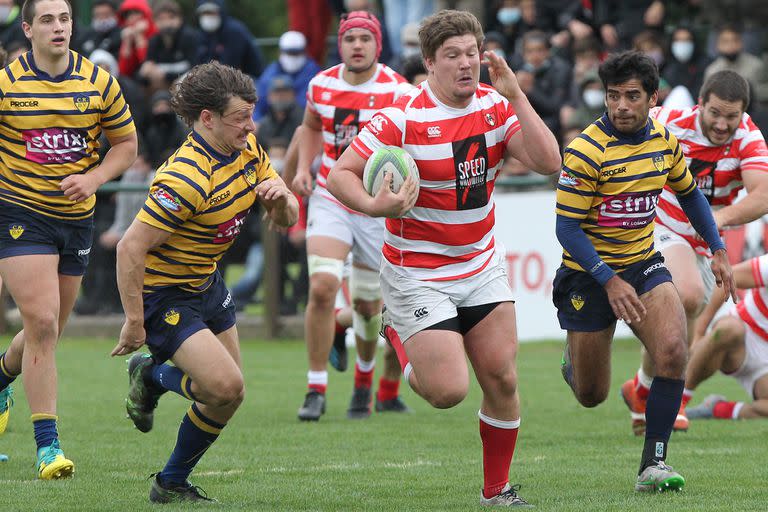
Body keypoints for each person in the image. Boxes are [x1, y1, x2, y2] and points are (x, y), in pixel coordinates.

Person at [329, 9, 561, 506]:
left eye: (471, 54)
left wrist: (517, 94)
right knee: (448, 391)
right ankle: (397, 332)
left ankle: (496, 490)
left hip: (480, 266)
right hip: (418, 274)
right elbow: (340, 175)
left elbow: (549, 163)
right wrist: (375, 205)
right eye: (452, 55)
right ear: (430, 63)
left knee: (501, 375)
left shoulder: (497, 109)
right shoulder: (401, 118)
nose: (465, 64)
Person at [111, 61, 298, 503]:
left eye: (252, 115)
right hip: (164, 293)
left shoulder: (247, 147)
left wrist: (281, 200)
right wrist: (136, 323)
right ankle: (152, 375)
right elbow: (129, 248)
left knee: (229, 397)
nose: (251, 126)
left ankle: (170, 482)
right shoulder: (185, 177)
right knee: (224, 386)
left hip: (206, 283)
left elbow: (285, 220)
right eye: (240, 118)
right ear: (207, 119)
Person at [553, 51, 737, 493]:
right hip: (588, 275)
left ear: (652, 98)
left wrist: (717, 247)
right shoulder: (586, 151)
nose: (620, 106)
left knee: (674, 350)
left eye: (631, 96)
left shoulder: (664, 141)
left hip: (641, 261)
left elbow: (691, 195)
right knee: (591, 395)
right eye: (613, 96)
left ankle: (653, 464)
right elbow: (566, 227)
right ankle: (573, 361)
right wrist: (607, 279)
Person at [0, 0, 137, 479]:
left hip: (76, 220)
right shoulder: (6, 84)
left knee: (49, 328)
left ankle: (2, 376)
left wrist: (95, 178)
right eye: (47, 20)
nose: (58, 28)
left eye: (64, 19)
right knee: (40, 319)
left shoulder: (98, 81)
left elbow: (126, 146)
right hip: (20, 215)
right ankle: (47, 447)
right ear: (27, 28)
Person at [620, 70, 768, 434]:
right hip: (662, 224)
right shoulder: (669, 121)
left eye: (731, 117)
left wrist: (715, 219)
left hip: (707, 244)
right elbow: (616, 131)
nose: (721, 124)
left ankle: (642, 388)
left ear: (743, 113)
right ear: (701, 104)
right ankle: (663, 395)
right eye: (715, 113)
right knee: (686, 295)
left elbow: (763, 195)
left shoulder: (748, 139)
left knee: (676, 326)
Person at [289, 11, 412, 422]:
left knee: (367, 306)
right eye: (350, 38)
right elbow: (309, 127)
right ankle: (315, 387)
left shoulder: (398, 89)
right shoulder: (321, 83)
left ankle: (364, 382)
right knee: (322, 287)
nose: (357, 45)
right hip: (331, 195)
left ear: (378, 44)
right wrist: (303, 169)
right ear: (339, 44)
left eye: (365, 38)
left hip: (377, 208)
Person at [684, 253, 768, 420]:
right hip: (744, 333)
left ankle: (718, 409)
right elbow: (729, 278)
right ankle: (678, 399)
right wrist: (698, 335)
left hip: (764, 360)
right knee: (729, 329)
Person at [253, 31, 321, 124]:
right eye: (289, 53)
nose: (292, 57)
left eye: (296, 53)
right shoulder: (271, 72)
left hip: (301, 124)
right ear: (280, 52)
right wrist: (257, 124)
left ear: (304, 52)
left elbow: (306, 107)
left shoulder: (313, 72)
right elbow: (259, 104)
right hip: (271, 125)